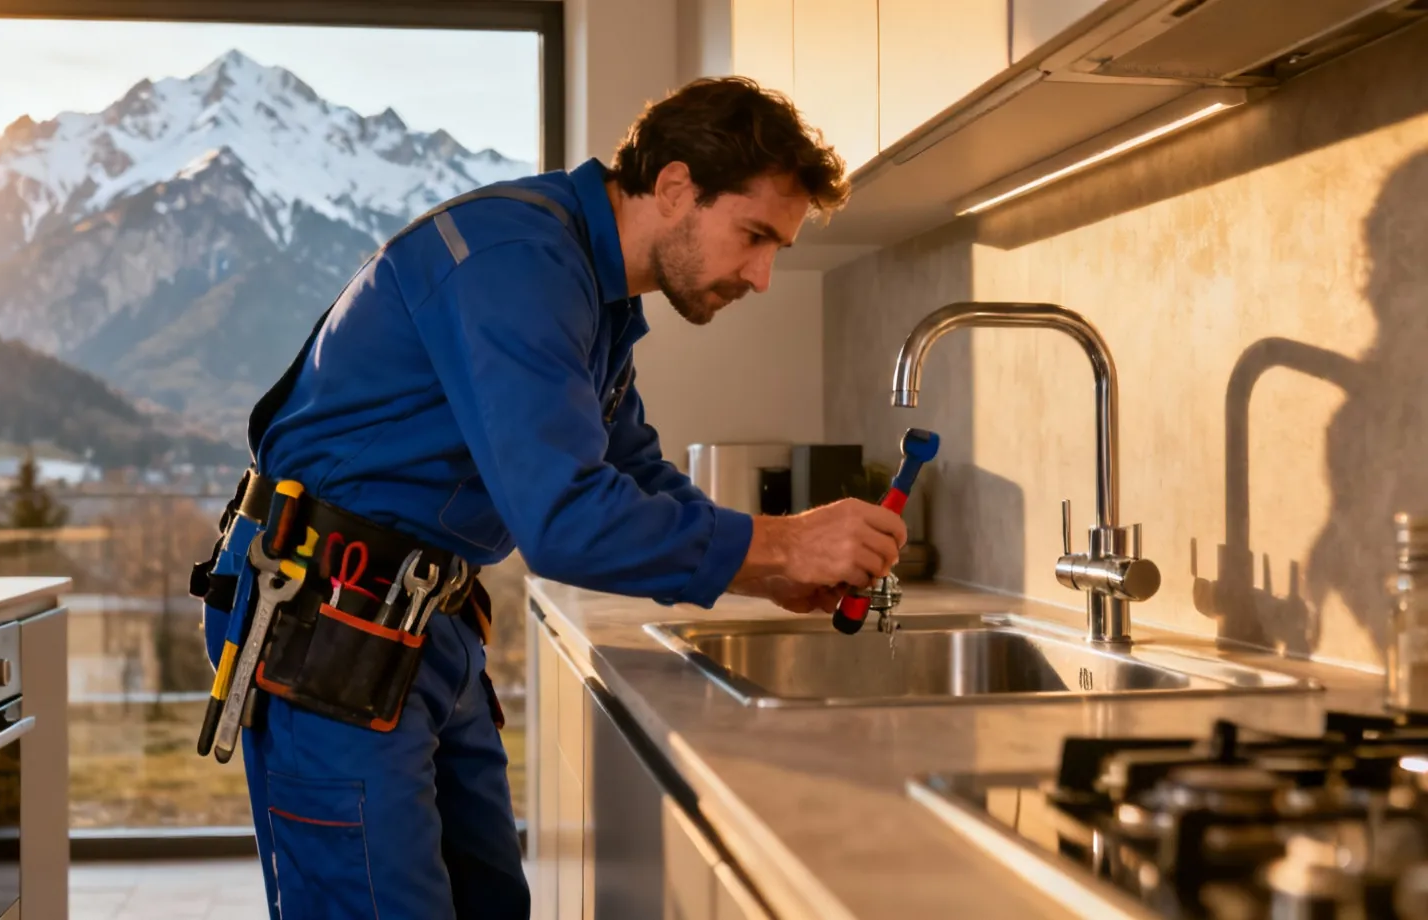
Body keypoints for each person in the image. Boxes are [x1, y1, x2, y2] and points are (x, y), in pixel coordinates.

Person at [193, 75, 908, 920]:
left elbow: (633, 470)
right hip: (329, 623)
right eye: (754, 236)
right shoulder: (518, 262)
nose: (760, 277)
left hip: (424, 626)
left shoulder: (593, 297)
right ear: (676, 185)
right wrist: (784, 544)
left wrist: (770, 574)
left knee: (489, 900)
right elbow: (565, 520)